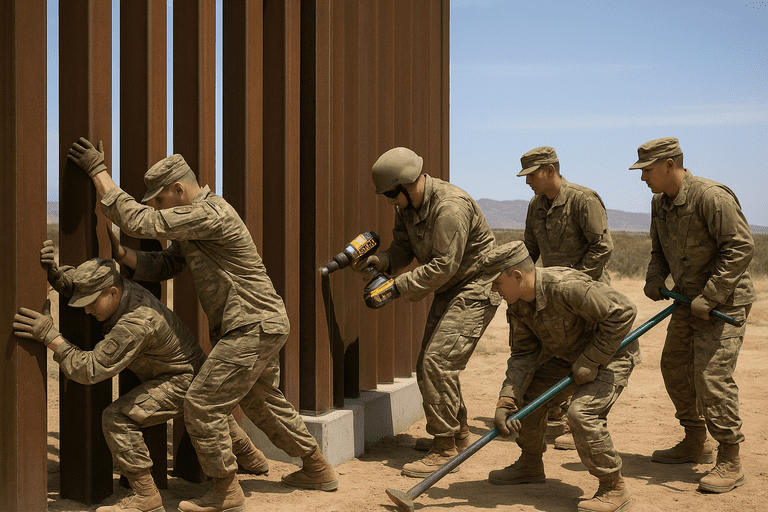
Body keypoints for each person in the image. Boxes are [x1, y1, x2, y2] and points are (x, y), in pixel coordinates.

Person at [68, 138, 338, 512]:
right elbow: (170, 264)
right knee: (262, 402)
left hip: (250, 325)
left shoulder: (210, 213)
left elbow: (141, 221)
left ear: (179, 190)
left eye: (160, 199)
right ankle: (317, 467)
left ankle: (225, 492)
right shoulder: (196, 226)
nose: (157, 207)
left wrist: (99, 173)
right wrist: (123, 255)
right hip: (257, 324)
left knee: (201, 404)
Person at [13, 243, 268, 512]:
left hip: (181, 377)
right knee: (211, 411)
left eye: (90, 304)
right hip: (191, 371)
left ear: (112, 292)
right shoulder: (120, 288)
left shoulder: (135, 323)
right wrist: (56, 276)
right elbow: (84, 287)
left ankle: (146, 496)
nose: (86, 311)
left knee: (117, 418)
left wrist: (51, 338)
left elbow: (89, 370)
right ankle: (254, 459)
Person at [352, 146, 499, 478]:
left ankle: (444, 447)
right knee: (429, 362)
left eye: (391, 193)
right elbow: (404, 247)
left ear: (406, 184)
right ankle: (458, 432)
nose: (390, 201)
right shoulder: (407, 207)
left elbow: (444, 266)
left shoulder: (450, 208)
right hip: (451, 287)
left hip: (478, 286)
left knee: (438, 361)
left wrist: (395, 287)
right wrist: (383, 262)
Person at [631, 136, 755, 494]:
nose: (643, 179)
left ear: (670, 164)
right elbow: (659, 250)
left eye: (647, 170)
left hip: (725, 303)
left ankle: (730, 459)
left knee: (710, 376)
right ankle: (694, 439)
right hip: (688, 300)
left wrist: (713, 295)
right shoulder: (660, 203)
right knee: (674, 365)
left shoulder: (711, 197)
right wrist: (655, 277)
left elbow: (741, 247)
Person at [485, 241, 638, 512]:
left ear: (517, 276)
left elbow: (623, 311)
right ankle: (531, 464)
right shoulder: (518, 303)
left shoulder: (566, 286)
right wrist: (506, 400)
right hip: (569, 358)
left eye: (496, 282)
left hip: (612, 354)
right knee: (529, 398)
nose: (493, 289)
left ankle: (614, 488)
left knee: (581, 413)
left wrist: (592, 359)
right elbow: (523, 355)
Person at [517, 146, 614, 451]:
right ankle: (556, 417)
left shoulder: (583, 199)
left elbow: (602, 246)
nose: (528, 181)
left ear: (549, 170)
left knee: (591, 360)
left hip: (587, 293)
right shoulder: (536, 206)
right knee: (553, 356)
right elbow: (529, 251)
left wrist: (575, 283)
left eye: (531, 175)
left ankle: (584, 426)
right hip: (553, 296)